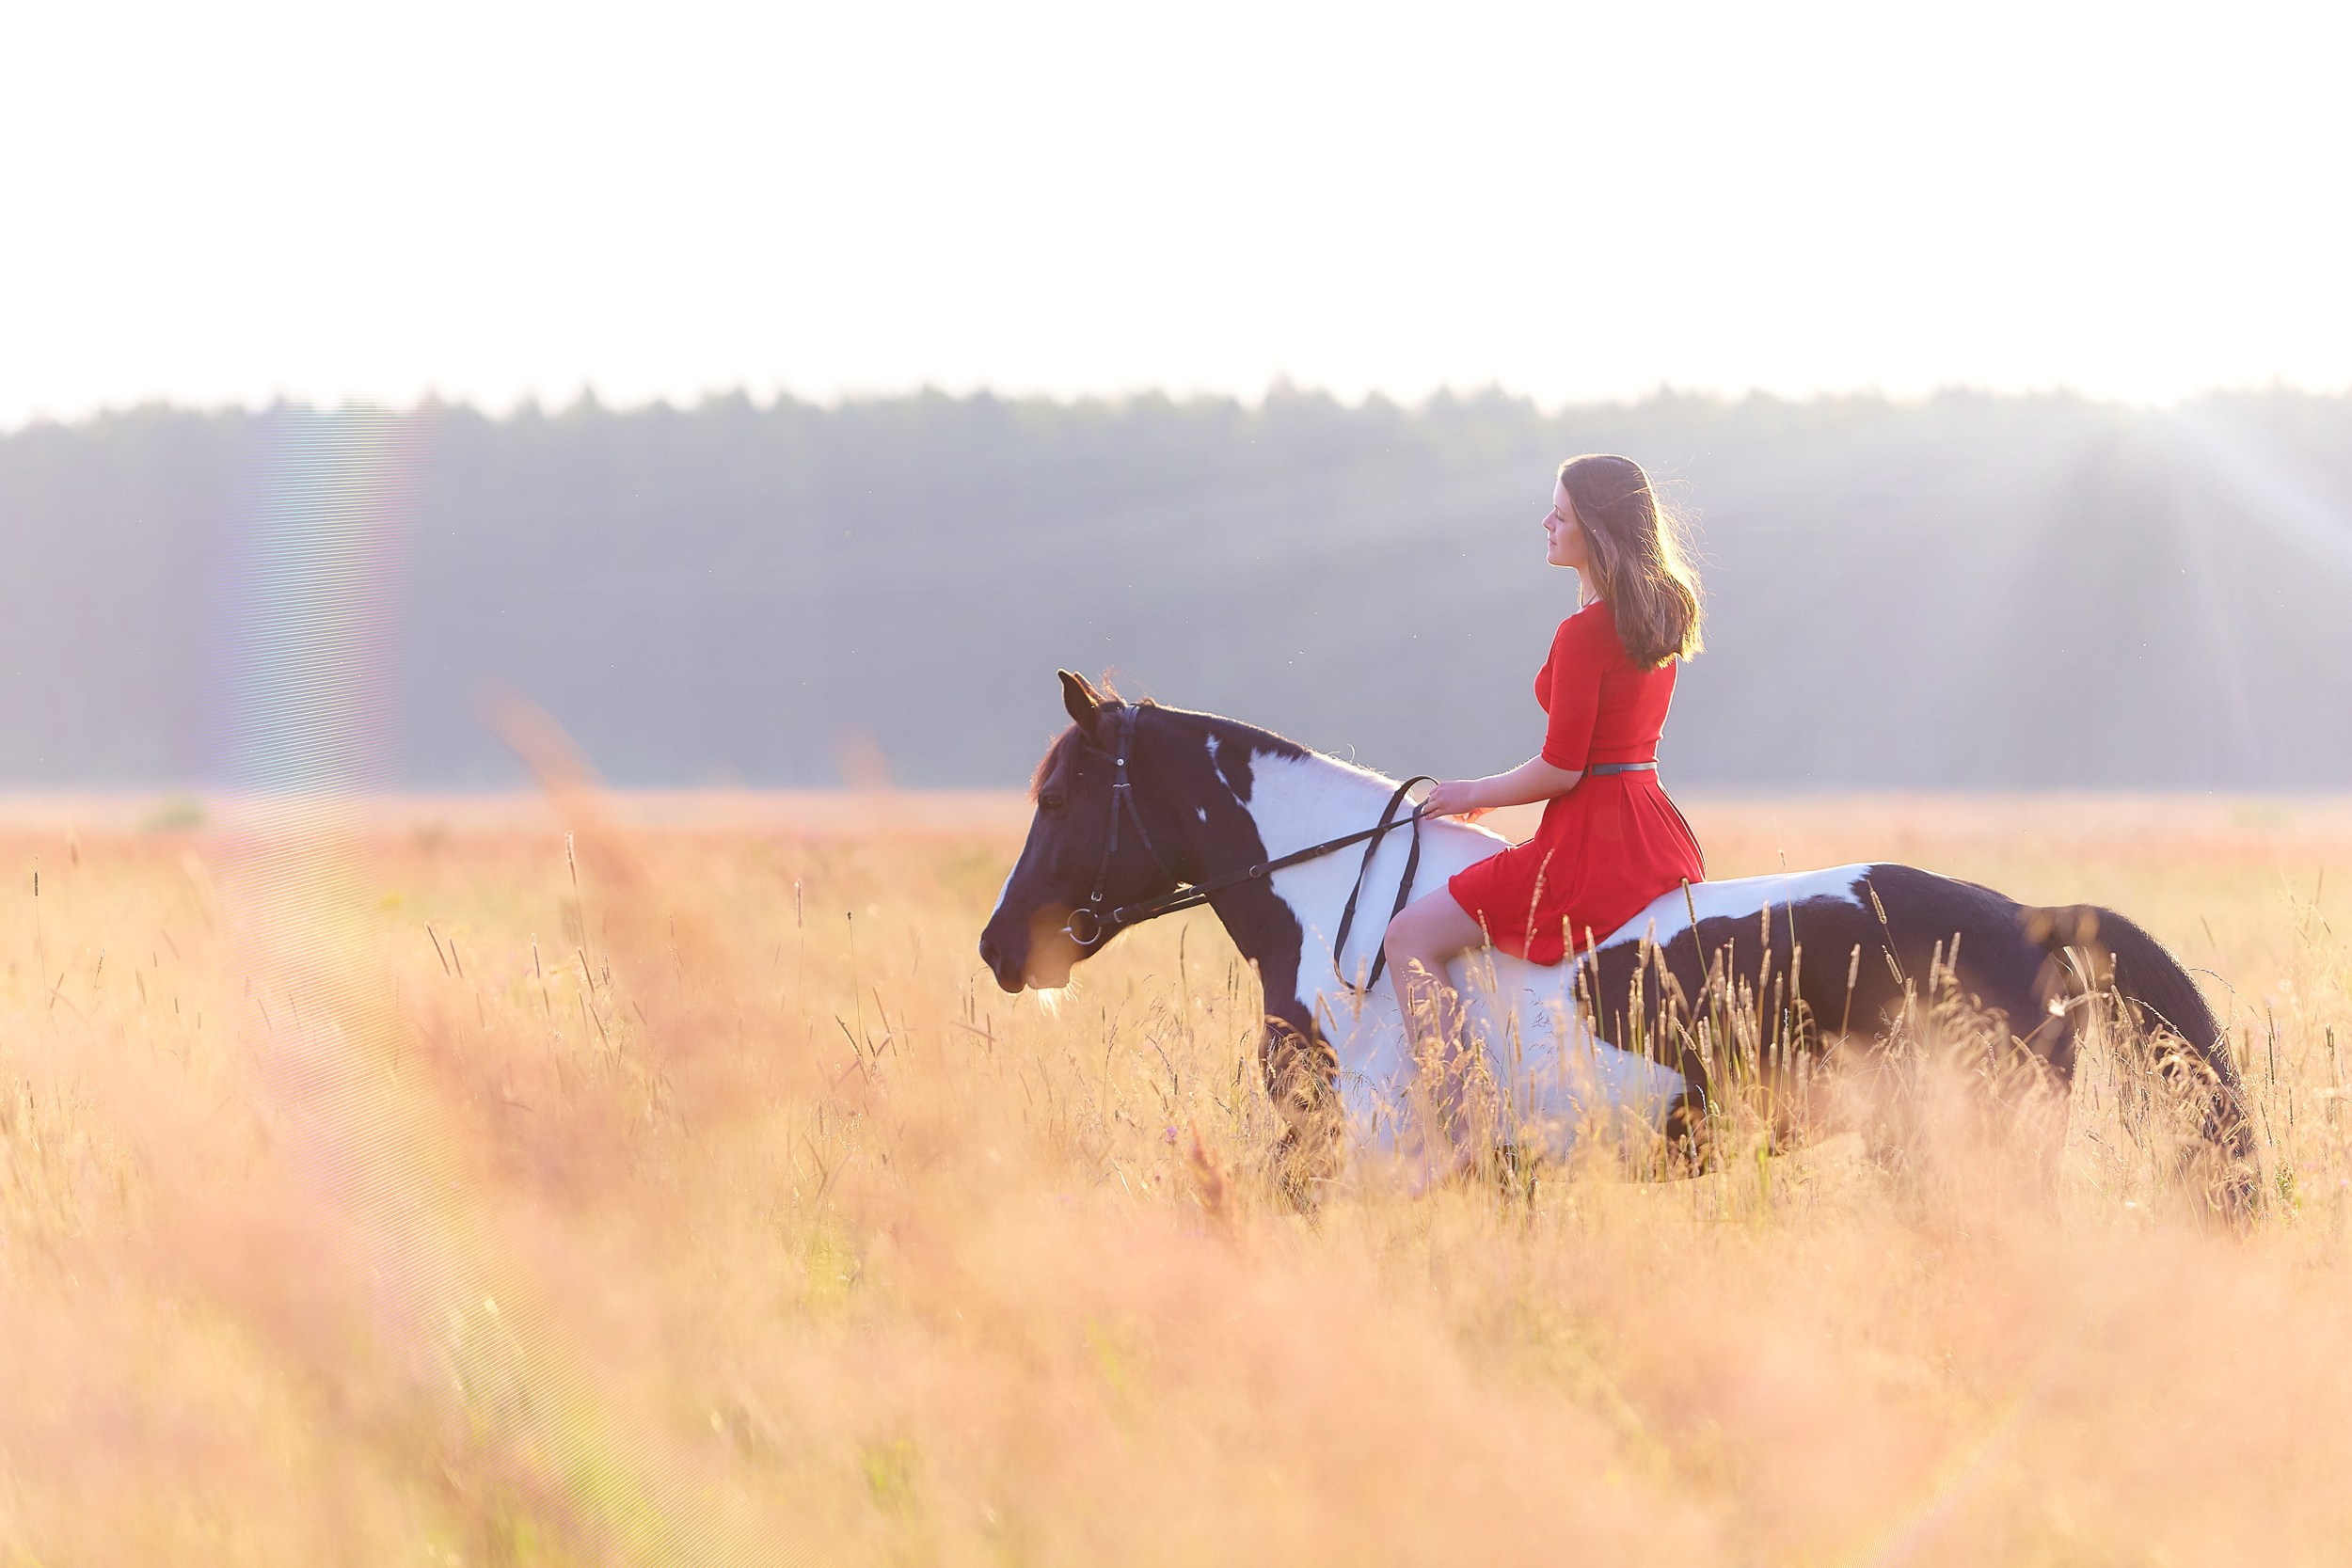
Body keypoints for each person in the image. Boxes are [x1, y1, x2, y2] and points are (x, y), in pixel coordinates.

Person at [1381, 453, 1707, 1126]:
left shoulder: (1585, 632)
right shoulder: (1660, 609)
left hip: (1591, 842)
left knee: (1408, 937)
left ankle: (1465, 1122)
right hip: (1652, 826)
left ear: (1593, 525)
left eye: (1559, 514)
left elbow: (1564, 770)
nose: (1546, 524)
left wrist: (1475, 788)